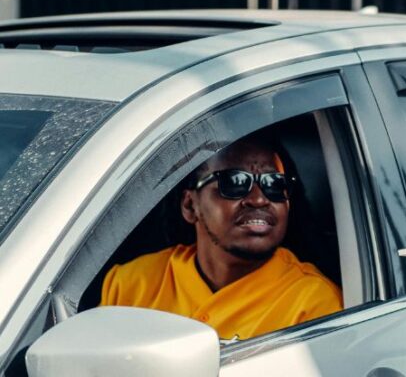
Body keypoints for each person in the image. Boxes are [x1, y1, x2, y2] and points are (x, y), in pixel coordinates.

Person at [100, 132, 342, 340]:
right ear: (190, 205)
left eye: (274, 184)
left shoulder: (313, 303)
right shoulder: (129, 285)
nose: (259, 199)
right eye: (234, 183)